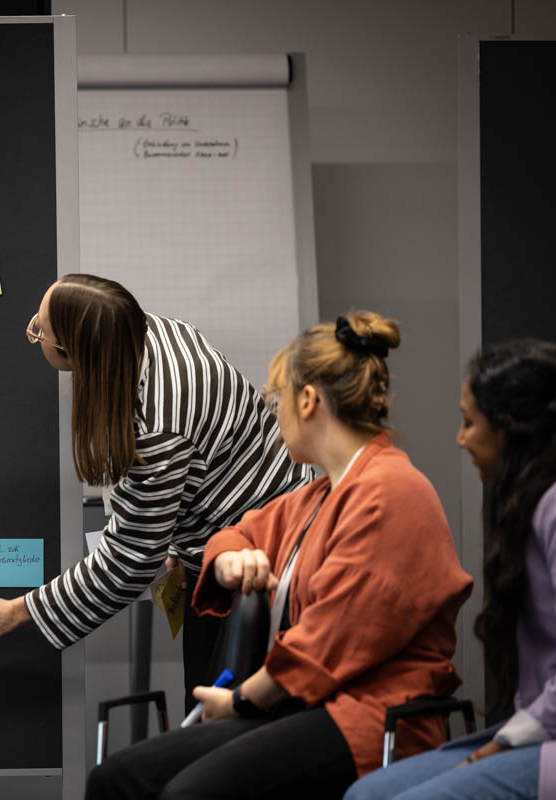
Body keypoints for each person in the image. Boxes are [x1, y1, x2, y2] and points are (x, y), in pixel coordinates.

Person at [86, 311, 473, 800]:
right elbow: (234, 534)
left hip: (368, 716)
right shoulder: (318, 496)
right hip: (298, 705)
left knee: (188, 794)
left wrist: (240, 701)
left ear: (307, 401)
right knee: (116, 779)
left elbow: (326, 645)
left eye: (276, 400)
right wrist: (230, 560)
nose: (274, 416)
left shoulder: (390, 492)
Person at [0, 273, 310, 706]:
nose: (36, 334)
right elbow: (208, 457)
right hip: (256, 523)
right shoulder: (153, 330)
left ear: (74, 352)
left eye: (40, 332)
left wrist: (18, 612)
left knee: (218, 716)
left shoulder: (157, 426)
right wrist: (178, 532)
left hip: (257, 561)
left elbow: (130, 558)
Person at [343, 339, 556, 800]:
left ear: (508, 428)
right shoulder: (543, 501)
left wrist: (499, 746)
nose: (460, 440)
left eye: (468, 423)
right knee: (368, 793)